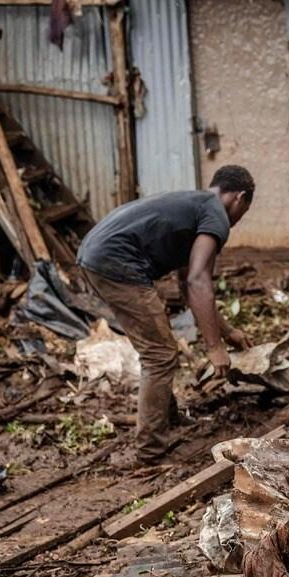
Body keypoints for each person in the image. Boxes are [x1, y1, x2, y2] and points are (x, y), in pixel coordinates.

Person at [76, 167, 255, 464]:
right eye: (244, 211)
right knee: (159, 354)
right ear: (240, 198)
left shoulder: (196, 205)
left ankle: (166, 421)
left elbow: (188, 283)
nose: (237, 219)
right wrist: (214, 347)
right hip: (116, 261)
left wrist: (227, 332)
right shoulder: (216, 215)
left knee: (159, 349)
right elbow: (199, 281)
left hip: (95, 255)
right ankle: (150, 451)